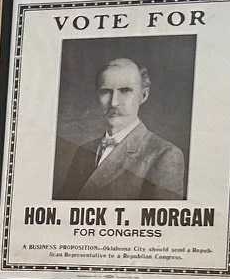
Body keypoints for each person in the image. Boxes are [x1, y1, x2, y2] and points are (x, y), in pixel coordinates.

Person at [52, 55, 186, 202]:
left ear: (143, 95)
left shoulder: (165, 155)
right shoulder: (84, 151)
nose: (114, 102)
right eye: (105, 91)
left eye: (125, 91)